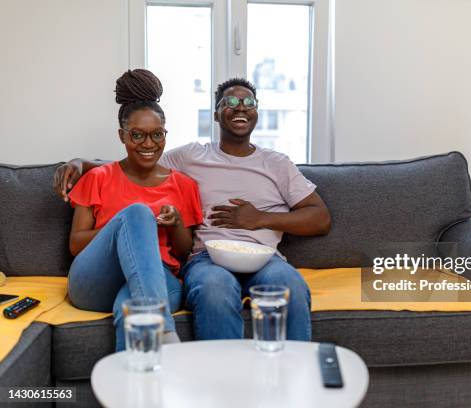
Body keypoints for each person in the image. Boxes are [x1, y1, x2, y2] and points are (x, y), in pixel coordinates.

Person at [54, 78, 331, 342]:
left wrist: (260, 219)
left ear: (257, 112)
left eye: (249, 102)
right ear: (215, 114)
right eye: (230, 101)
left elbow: (320, 218)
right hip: (207, 258)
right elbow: (136, 159)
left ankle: (293, 379)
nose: (240, 106)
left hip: (264, 258)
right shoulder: (190, 157)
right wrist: (81, 163)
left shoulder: (278, 164)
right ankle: (220, 385)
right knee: (214, 290)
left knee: (290, 287)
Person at [65, 69, 203, 351]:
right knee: (137, 213)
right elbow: (76, 244)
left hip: (158, 278)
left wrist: (175, 223)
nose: (149, 144)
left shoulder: (184, 185)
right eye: (138, 135)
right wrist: (124, 226)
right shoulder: (98, 177)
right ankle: (164, 330)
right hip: (95, 280)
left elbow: (184, 253)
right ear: (122, 135)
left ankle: (130, 392)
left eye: (157, 135)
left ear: (166, 134)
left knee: (131, 307)